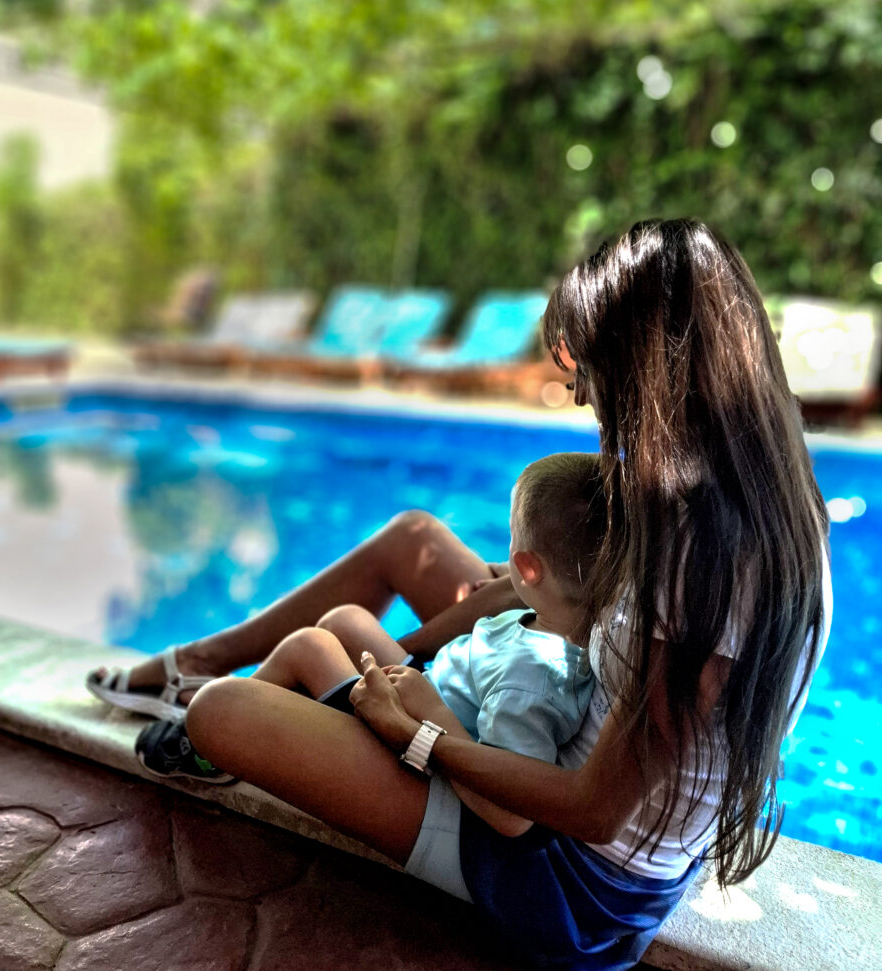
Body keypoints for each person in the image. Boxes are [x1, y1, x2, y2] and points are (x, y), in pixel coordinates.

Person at [170, 220, 831, 970]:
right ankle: (208, 654)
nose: (581, 389)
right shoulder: (749, 497)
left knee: (222, 709)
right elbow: (619, 617)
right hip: (545, 740)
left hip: (567, 877)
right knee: (414, 539)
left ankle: (238, 685)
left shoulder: (710, 555)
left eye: (593, 364)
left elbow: (593, 806)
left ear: (649, 362)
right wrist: (511, 586)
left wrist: (417, 731)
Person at [135, 454, 606, 830]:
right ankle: (289, 710)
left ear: (526, 566)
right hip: (430, 694)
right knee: (346, 619)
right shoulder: (539, 619)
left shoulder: (531, 682)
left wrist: (429, 716)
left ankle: (212, 752)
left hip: (423, 745)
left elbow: (511, 813)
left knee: (308, 647)